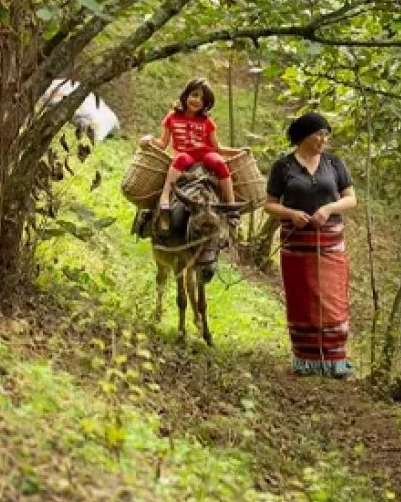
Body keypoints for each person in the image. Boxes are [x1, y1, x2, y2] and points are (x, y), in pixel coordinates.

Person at [263, 112, 358, 378]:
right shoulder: (283, 167)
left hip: (330, 241)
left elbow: (351, 199)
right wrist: (291, 214)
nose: (323, 140)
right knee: (303, 295)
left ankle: (336, 359)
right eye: (319, 134)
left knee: (333, 297)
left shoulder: (334, 163)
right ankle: (306, 359)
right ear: (304, 136)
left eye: (326, 135)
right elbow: (269, 204)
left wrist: (328, 208)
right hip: (297, 241)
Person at [142, 78, 244, 228]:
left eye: (202, 99)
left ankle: (231, 204)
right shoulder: (172, 117)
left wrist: (240, 151)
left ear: (206, 104)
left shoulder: (207, 121)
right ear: (186, 95)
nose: (197, 100)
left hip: (204, 154)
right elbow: (163, 144)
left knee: (219, 162)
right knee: (181, 159)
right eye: (194, 95)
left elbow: (218, 148)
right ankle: (165, 197)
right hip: (185, 155)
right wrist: (149, 139)